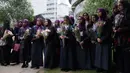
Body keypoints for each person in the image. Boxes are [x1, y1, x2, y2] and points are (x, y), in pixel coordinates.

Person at [113, 1, 130, 73]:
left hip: (127, 38)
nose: (118, 6)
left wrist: (122, 29)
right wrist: (114, 28)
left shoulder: (128, 14)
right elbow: (114, 24)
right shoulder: (117, 15)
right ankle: (121, 70)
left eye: (120, 5)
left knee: (126, 57)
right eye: (118, 5)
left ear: (124, 5)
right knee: (120, 55)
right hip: (118, 39)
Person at [94, 8, 112, 73]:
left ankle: (106, 68)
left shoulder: (107, 20)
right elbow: (95, 31)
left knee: (105, 54)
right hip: (99, 40)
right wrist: (97, 38)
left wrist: (102, 39)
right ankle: (99, 67)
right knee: (99, 54)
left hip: (106, 41)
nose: (98, 13)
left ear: (103, 12)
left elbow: (109, 31)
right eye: (97, 12)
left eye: (99, 12)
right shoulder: (98, 20)